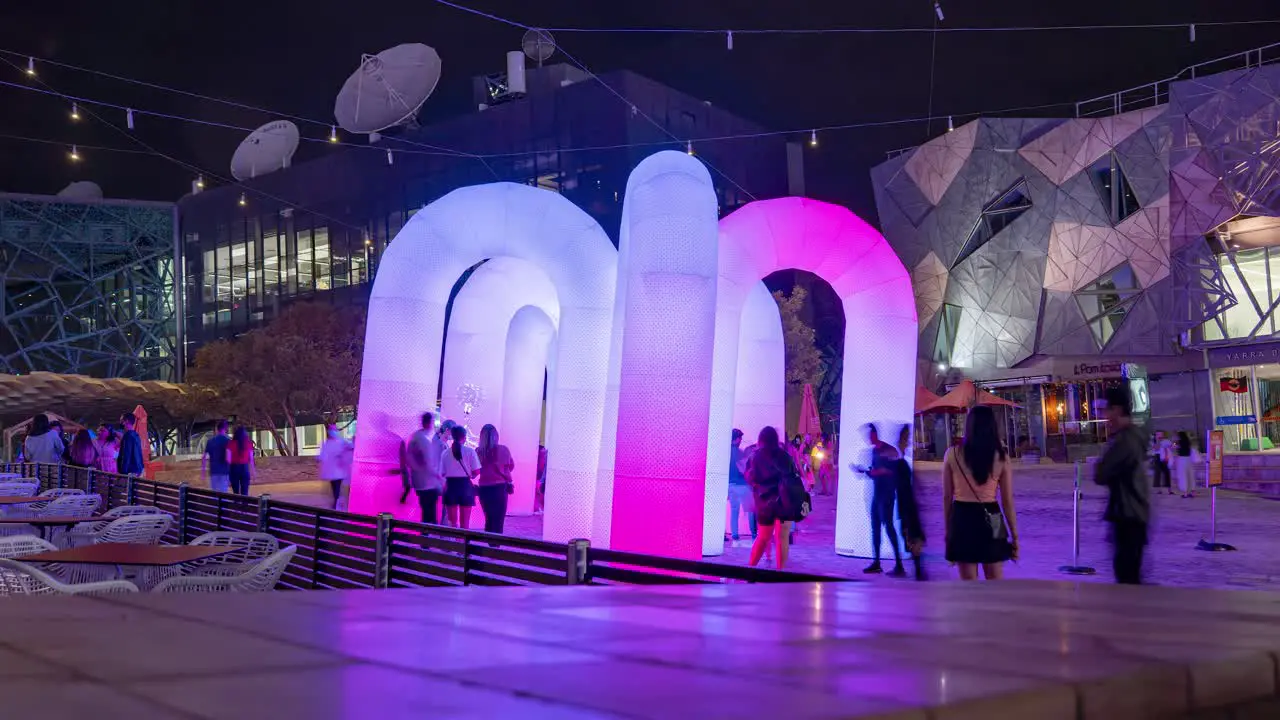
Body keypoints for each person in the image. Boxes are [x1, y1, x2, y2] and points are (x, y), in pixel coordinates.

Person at [942, 406, 1019, 581]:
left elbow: (947, 497)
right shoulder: (1001, 457)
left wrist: (948, 531)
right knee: (995, 580)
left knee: (968, 584)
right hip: (993, 515)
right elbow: (1007, 501)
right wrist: (1014, 537)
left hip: (962, 516)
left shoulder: (952, 454)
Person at [1094, 387, 1150, 585]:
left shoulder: (1125, 440)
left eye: (1106, 410)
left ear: (1117, 410)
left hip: (1129, 514)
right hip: (1131, 513)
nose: (1104, 417)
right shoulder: (1131, 437)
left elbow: (1101, 473)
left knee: (1127, 577)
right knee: (1129, 574)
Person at [854, 423, 905, 577]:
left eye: (869, 435)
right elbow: (877, 471)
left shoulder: (888, 450)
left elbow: (893, 471)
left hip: (887, 495)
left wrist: (874, 472)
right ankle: (877, 562)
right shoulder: (875, 451)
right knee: (875, 527)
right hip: (877, 495)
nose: (867, 439)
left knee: (888, 527)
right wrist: (866, 471)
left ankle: (899, 564)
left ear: (875, 434)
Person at [746, 426, 794, 570]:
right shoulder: (784, 456)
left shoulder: (754, 457)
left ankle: (750, 569)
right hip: (784, 503)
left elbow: (749, 477)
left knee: (762, 537)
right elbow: (791, 478)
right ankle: (780, 572)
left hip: (764, 503)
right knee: (782, 538)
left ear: (761, 440)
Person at [892, 425, 926, 580]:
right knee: (911, 534)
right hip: (907, 502)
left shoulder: (901, 462)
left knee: (910, 534)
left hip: (907, 502)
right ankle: (917, 569)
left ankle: (917, 569)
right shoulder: (900, 461)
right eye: (906, 438)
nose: (908, 442)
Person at [406, 412, 446, 524]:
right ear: (430, 423)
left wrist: (416, 470)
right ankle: (428, 536)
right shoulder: (423, 439)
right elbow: (429, 463)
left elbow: (409, 459)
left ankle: (426, 534)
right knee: (430, 511)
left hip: (419, 480)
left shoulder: (415, 437)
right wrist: (439, 478)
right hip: (428, 481)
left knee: (427, 509)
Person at [475, 424, 515, 534]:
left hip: (484, 488)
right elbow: (511, 466)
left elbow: (475, 470)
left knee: (489, 519)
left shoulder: (478, 451)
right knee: (498, 521)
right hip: (499, 488)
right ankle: (495, 548)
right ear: (496, 435)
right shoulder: (504, 449)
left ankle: (489, 546)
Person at [439, 425, 480, 529]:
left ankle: (453, 544)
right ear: (464, 437)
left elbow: (442, 473)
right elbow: (476, 471)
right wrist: (471, 475)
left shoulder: (445, 453)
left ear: (452, 436)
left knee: (452, 523)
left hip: (451, 486)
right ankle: (463, 543)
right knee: (465, 523)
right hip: (465, 486)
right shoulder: (470, 451)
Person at [726, 429, 756, 542]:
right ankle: (754, 534)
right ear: (737, 439)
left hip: (730, 484)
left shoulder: (726, 452)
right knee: (750, 510)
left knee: (734, 511)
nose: (741, 440)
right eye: (740, 438)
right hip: (742, 485)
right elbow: (743, 469)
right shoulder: (739, 452)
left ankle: (734, 535)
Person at [318, 423, 354, 509]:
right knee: (336, 487)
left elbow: (350, 447)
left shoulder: (339, 442)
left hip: (338, 470)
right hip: (334, 471)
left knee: (336, 487)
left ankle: (337, 503)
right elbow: (322, 456)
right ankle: (337, 502)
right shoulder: (328, 443)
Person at [201, 420, 232, 493]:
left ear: (217, 429)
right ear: (226, 429)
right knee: (223, 493)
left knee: (215, 493)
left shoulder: (210, 441)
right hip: (224, 471)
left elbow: (204, 457)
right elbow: (228, 459)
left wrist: (203, 472)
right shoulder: (228, 441)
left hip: (213, 471)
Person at [228, 426, 256, 495]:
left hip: (233, 468)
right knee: (245, 492)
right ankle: (245, 505)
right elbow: (251, 460)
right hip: (245, 468)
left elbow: (228, 460)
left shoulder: (230, 444)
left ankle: (236, 504)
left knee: (236, 492)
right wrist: (253, 472)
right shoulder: (249, 444)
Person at [1174, 431, 1199, 499]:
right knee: (1190, 476)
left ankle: (1185, 493)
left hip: (1182, 460)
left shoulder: (1179, 442)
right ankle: (1192, 492)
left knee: (1183, 476)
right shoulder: (1188, 442)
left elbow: (1174, 447)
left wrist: (1175, 443)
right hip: (1189, 460)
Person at [1151, 431, 1174, 495]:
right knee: (1157, 474)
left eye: (1161, 434)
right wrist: (1158, 441)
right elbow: (1156, 448)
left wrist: (1172, 444)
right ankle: (1159, 490)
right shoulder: (1153, 442)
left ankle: (1169, 490)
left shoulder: (1166, 441)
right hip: (1157, 457)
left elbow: (1172, 446)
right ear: (1155, 435)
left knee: (1167, 473)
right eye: (1158, 434)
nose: (1160, 435)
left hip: (1165, 458)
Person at [533, 445, 547, 515]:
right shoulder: (540, 458)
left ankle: (541, 508)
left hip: (541, 477)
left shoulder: (543, 457)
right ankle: (540, 508)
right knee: (539, 493)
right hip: (539, 477)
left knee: (540, 493)